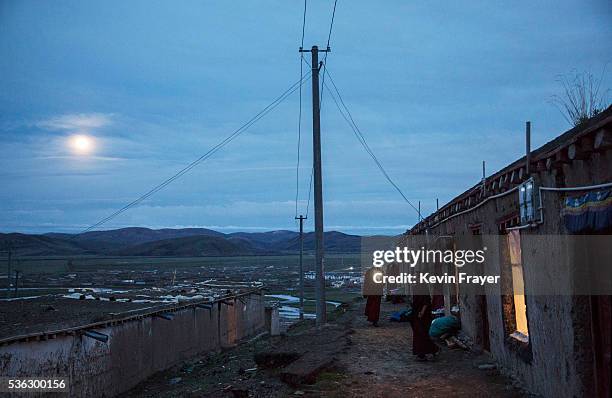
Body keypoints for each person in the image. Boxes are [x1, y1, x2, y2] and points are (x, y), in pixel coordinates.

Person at [411, 286, 440, 360]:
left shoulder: (422, 287)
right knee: (419, 334)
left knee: (421, 333)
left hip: (423, 316)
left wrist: (422, 312)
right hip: (416, 313)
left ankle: (426, 352)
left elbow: (426, 302)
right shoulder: (416, 287)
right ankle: (425, 352)